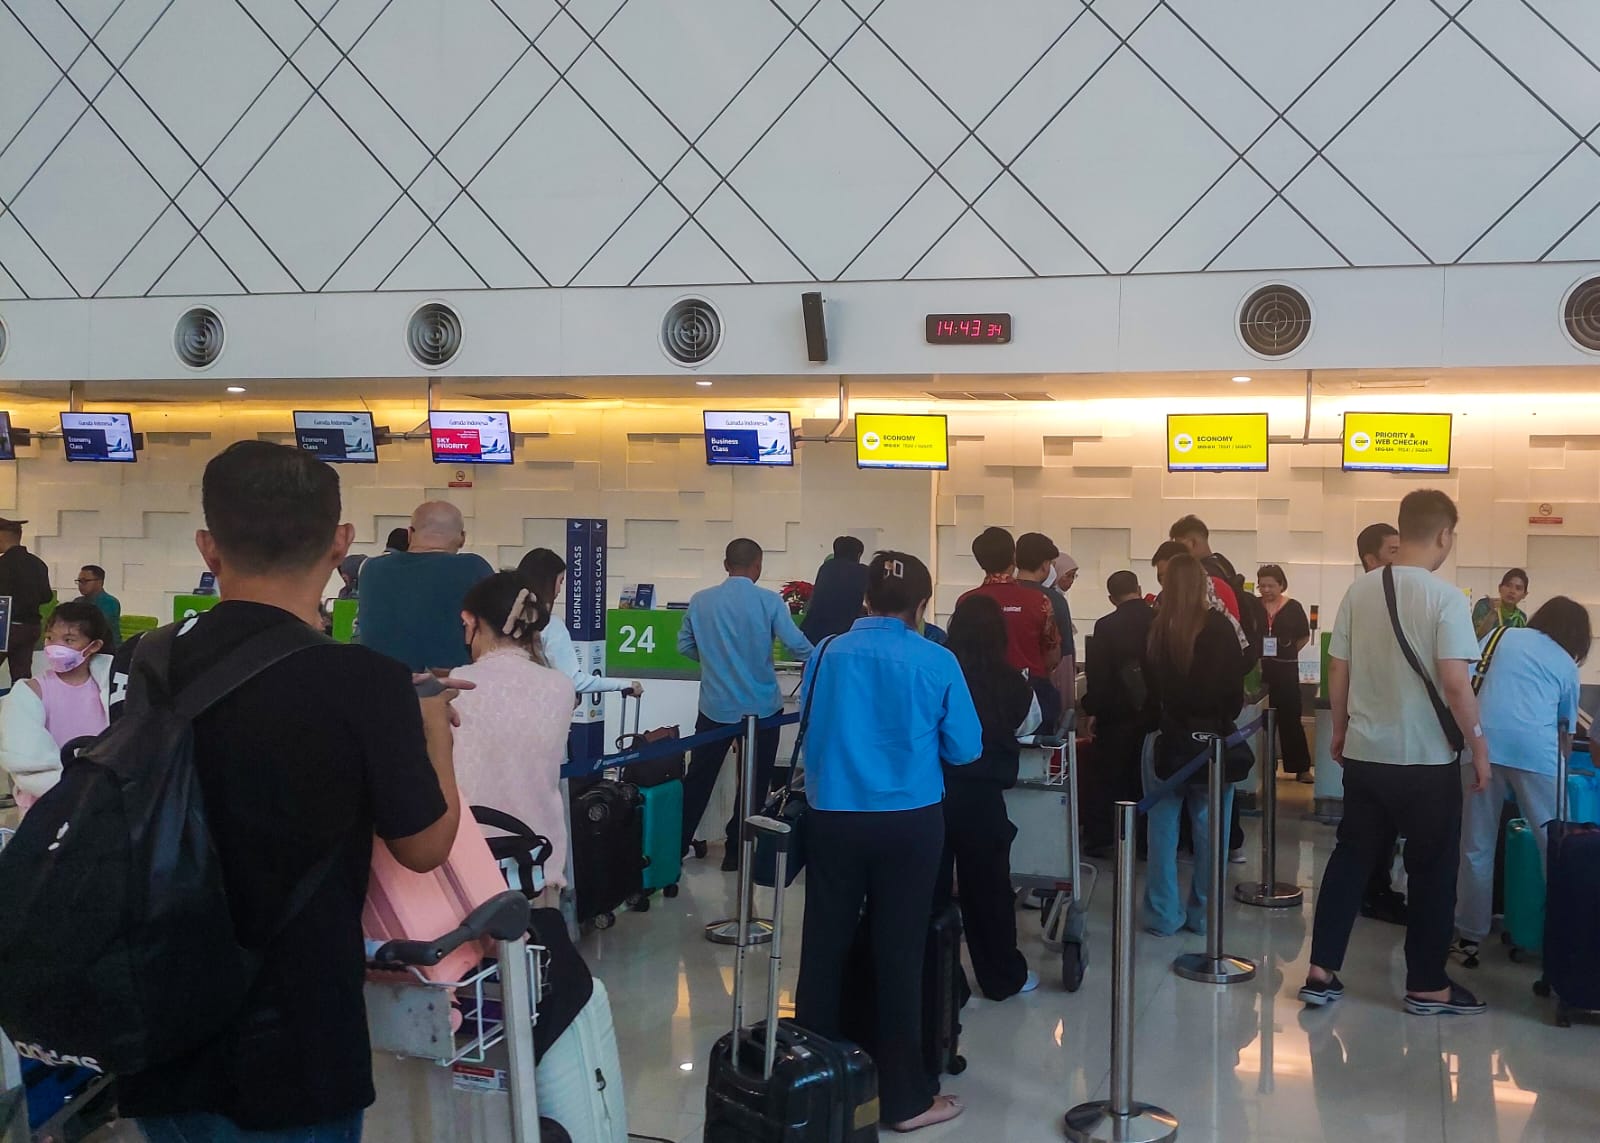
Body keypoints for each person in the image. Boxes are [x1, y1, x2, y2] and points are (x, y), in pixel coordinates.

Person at [110, 440, 464, 1141]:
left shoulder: (146, 657)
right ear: (341, 543)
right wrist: (436, 732)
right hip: (301, 1038)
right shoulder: (366, 681)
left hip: (162, 1026)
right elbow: (424, 845)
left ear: (209, 547)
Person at [794, 551, 982, 1133]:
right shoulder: (937, 660)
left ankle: (813, 1088)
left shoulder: (824, 654)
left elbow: (806, 723)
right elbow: (965, 749)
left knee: (822, 947)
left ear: (865, 600)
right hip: (909, 823)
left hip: (834, 818)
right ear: (922, 606)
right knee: (899, 953)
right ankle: (903, 1100)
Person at [1301, 489, 1489, 1016]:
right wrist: (1479, 746)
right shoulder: (1444, 598)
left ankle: (1321, 971)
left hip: (1366, 755)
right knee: (1431, 869)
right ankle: (1427, 984)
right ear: (1445, 534)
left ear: (1402, 530)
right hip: (1426, 762)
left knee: (1350, 858)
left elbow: (1338, 667)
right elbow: (1456, 682)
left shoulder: (1358, 592)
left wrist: (1339, 730)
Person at [1454, 596, 1589, 963]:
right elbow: (1565, 728)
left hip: (1482, 746)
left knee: (1476, 845)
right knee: (1556, 846)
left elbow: (1464, 683)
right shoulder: (1564, 662)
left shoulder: (1499, 636)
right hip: (1537, 753)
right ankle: (1562, 938)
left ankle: (1469, 937)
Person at [677, 538, 813, 867]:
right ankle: (738, 851)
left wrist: (712, 659)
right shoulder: (769, 602)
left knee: (698, 779)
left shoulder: (700, 601)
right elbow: (799, 646)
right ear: (758, 566)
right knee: (753, 782)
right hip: (762, 708)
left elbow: (684, 646)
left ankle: (675, 847)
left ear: (726, 565)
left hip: (715, 706)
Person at [938, 594, 1040, 1000]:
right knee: (991, 891)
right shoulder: (1013, 681)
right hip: (984, 797)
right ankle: (1001, 977)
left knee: (931, 890)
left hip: (934, 794)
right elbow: (1028, 727)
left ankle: (944, 982)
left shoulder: (937, 670)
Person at [449, 571, 577, 889]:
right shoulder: (561, 688)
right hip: (538, 861)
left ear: (470, 621)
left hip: (470, 858)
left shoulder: (456, 684)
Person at [1141, 554, 1245, 937]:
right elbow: (1234, 693)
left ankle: (1162, 913)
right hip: (1212, 742)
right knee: (1210, 833)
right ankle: (1203, 915)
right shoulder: (1220, 628)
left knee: (1162, 829)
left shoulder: (1156, 629)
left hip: (1165, 739)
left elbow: (1149, 690)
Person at [0, 600, 114, 812]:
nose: (55, 647)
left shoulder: (111, 689)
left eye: (69, 640)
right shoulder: (31, 692)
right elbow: (26, 760)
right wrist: (71, 790)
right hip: (47, 804)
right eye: (51, 638)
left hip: (103, 801)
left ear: (94, 646)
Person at [357, 501, 493, 672]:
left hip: (380, 689)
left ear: (409, 533)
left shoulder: (370, 569)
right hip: (452, 691)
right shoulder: (474, 568)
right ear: (463, 538)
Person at [1354, 521, 1409, 924]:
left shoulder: (1404, 596)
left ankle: (1376, 888)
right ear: (1370, 559)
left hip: (1389, 734)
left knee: (1382, 826)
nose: (1400, 556)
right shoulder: (1361, 601)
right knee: (1369, 828)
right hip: (1373, 733)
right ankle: (1371, 891)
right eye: (1393, 550)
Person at [1081, 571, 1154, 856]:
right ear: (1139, 587)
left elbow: (1098, 675)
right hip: (1152, 715)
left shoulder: (1106, 626)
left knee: (1109, 777)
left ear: (1111, 598)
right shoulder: (1158, 620)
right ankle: (1145, 840)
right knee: (1145, 778)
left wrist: (1093, 709)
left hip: (1116, 715)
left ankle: (1104, 838)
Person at [960, 527, 1061, 729]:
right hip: (1032, 696)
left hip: (979, 698)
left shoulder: (966, 601)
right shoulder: (1039, 600)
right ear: (1013, 557)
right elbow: (1052, 655)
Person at [516, 548, 643, 703]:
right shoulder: (551, 625)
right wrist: (624, 684)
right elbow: (575, 680)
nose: (559, 590)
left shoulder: (501, 621)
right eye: (560, 581)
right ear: (548, 582)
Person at [1257, 565, 1313, 783]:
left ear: (1281, 585)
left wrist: (1287, 653)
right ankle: (1263, 767)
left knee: (1291, 719)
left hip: (1286, 670)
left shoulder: (1293, 607)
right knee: (1259, 720)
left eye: (1271, 585)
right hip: (1261, 670)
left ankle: (1301, 768)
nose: (1266, 590)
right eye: (1262, 585)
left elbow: (1303, 637)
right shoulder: (1255, 606)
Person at [1014, 532, 1074, 730]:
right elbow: (1062, 656)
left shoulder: (995, 596)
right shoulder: (1054, 600)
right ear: (1045, 565)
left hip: (995, 694)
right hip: (1037, 693)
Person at [0, 517, 52, 684]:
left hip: (4, 628)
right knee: (21, 678)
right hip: (31, 628)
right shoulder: (38, 564)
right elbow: (47, 596)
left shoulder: (3, 565)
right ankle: (22, 708)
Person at [800, 535, 870, 643]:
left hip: (812, 631)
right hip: (842, 634)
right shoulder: (862, 571)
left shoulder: (826, 568)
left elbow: (833, 595)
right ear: (858, 555)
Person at [1471, 568, 1529, 640]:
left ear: (1524, 595)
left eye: (1518, 588)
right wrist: (1493, 613)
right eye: (1508, 585)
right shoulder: (1484, 605)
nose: (1512, 591)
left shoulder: (1521, 617)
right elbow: (1477, 636)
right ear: (1499, 588)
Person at [73, 564, 121, 649]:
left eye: (85, 581)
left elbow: (97, 628)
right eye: (79, 581)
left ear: (100, 582)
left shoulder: (110, 602)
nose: (81, 585)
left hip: (106, 649)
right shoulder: (77, 602)